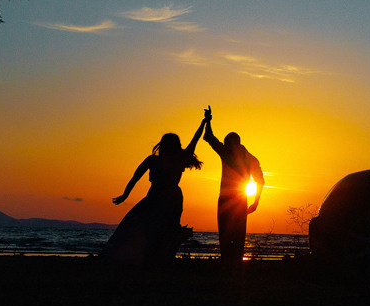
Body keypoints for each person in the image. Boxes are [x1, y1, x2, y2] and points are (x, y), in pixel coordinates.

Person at [103, 116, 207, 266]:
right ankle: (154, 257)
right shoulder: (159, 160)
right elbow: (135, 177)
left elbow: (135, 178)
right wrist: (204, 122)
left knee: (155, 227)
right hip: (163, 197)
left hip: (165, 198)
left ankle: (156, 258)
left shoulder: (165, 160)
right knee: (153, 227)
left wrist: (125, 195)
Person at [199, 107, 262, 264]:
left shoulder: (246, 158)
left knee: (236, 235)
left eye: (227, 144)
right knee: (227, 235)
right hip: (230, 200)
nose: (225, 146)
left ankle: (234, 265)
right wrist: (208, 121)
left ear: (234, 144)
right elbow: (210, 137)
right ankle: (229, 264)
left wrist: (255, 202)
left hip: (237, 200)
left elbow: (260, 180)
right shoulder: (232, 153)